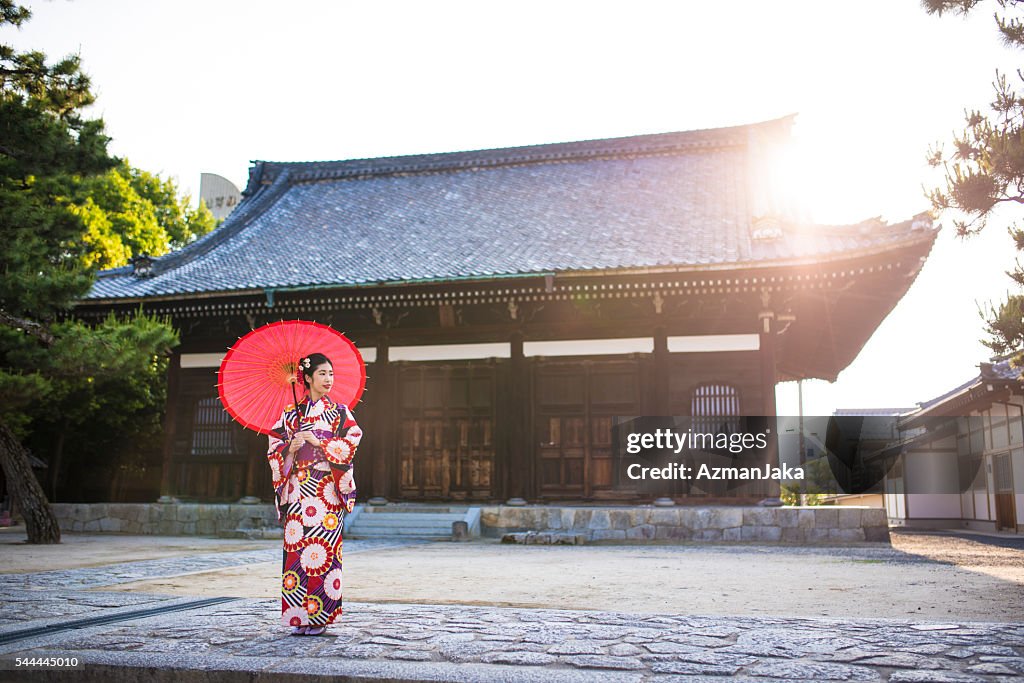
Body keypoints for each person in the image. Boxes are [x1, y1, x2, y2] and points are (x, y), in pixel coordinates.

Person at [266, 352, 361, 636]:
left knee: (322, 552)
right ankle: (297, 617)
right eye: (322, 374)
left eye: (331, 374)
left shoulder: (340, 412)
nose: (328, 379)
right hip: (297, 488)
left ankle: (320, 617)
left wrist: (319, 441)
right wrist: (290, 447)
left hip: (326, 490)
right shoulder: (289, 413)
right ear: (306, 378)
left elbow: (352, 440)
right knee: (296, 553)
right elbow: (274, 448)